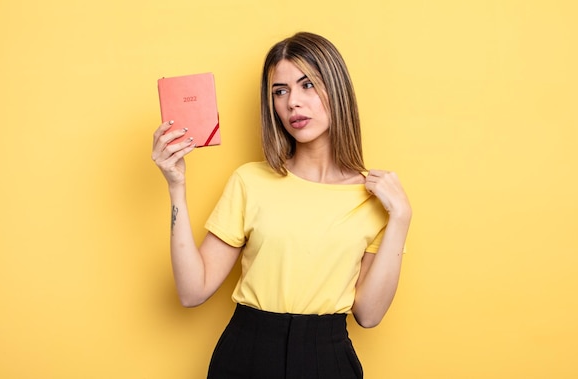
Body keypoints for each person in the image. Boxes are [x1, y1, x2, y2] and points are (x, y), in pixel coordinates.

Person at [151, 32, 411, 379]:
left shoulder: (375, 198)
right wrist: (176, 187)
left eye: (307, 85)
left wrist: (401, 219)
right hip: (246, 353)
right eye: (280, 91)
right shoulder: (250, 181)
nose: (293, 104)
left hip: (328, 358)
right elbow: (191, 291)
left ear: (337, 89)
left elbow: (369, 315)